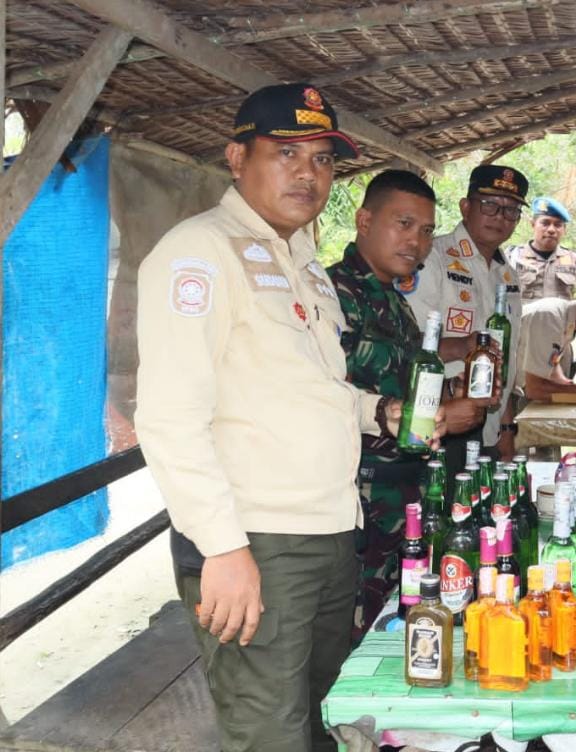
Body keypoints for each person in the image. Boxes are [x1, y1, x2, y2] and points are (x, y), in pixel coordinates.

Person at [135, 84, 441, 752]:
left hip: (330, 532)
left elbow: (314, 387)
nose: (308, 173)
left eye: (323, 159)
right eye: (286, 153)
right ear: (236, 157)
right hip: (257, 540)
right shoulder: (201, 253)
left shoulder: (301, 262)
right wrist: (223, 548)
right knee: (270, 733)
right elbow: (168, 416)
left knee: (322, 718)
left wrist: (381, 411)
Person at [326, 169, 488, 636]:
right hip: (358, 495)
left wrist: (457, 401)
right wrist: (441, 415)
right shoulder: (334, 294)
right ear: (364, 221)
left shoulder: (395, 302)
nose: (416, 241)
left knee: (399, 615)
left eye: (426, 230)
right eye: (403, 224)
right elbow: (328, 393)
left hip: (401, 495)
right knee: (353, 628)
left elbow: (410, 386)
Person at [402, 165, 527, 467]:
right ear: (465, 206)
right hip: (439, 421)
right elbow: (407, 344)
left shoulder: (508, 274)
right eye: (490, 205)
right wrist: (462, 347)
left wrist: (506, 428)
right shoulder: (433, 257)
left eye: (511, 211)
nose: (500, 217)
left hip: (488, 427)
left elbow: (508, 359)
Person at [509, 196, 576, 301]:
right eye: (545, 223)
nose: (551, 230)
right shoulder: (513, 257)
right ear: (533, 224)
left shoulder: (575, 259)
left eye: (558, 225)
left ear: (564, 229)